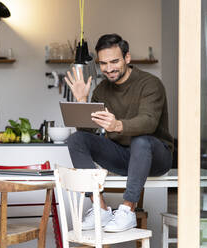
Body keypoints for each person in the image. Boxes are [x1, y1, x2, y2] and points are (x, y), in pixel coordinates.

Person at [64, 33, 173, 232]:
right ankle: (100, 207)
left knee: (140, 140)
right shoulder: (102, 90)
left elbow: (148, 122)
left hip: (157, 156)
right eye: (103, 63)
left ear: (127, 58)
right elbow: (88, 132)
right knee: (77, 140)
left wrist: (117, 126)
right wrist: (81, 101)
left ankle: (127, 210)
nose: (109, 68)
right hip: (124, 156)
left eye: (114, 61)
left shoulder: (150, 83)